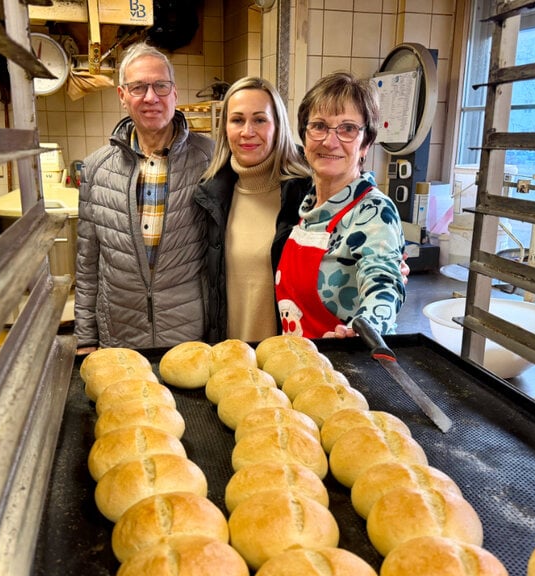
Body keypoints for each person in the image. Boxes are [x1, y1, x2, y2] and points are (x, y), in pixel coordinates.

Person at [75, 42, 214, 353]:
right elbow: (87, 264)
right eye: (138, 87)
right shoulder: (96, 168)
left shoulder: (210, 159)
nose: (151, 97)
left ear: (175, 93)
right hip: (120, 337)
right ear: (122, 96)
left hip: (191, 337)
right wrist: (85, 339)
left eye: (161, 86)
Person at [275, 71, 406, 338]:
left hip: (349, 359)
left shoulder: (374, 212)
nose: (330, 141)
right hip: (301, 358)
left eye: (348, 129)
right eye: (319, 126)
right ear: (305, 136)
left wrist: (366, 327)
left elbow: (383, 281)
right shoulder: (308, 207)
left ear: (365, 144)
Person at [194, 76, 312, 343]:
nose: (247, 131)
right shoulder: (210, 196)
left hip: (286, 355)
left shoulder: (307, 195)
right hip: (229, 355)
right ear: (225, 129)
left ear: (278, 126)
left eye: (260, 120)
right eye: (237, 120)